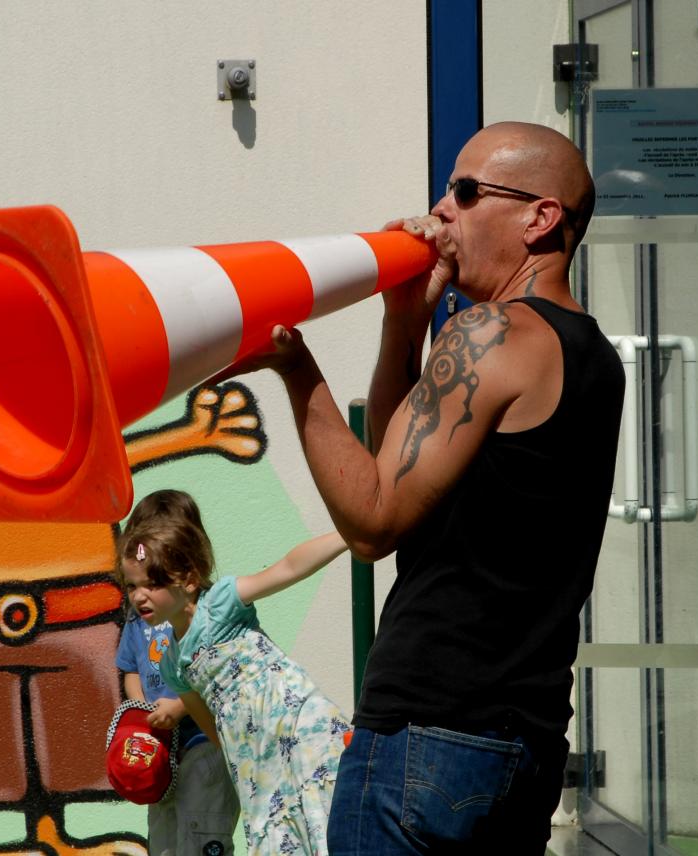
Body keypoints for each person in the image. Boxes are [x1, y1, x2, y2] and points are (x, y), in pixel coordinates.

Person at [226, 122, 625, 853]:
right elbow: (395, 475)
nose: (441, 208)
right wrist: (404, 323)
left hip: (426, 733)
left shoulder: (489, 332)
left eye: (467, 191)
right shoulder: (591, 354)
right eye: (446, 188)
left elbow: (372, 522)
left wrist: (294, 366)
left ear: (540, 218)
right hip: (521, 742)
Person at [117, 489, 352, 856]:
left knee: (324, 821)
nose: (139, 596)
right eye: (132, 585)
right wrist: (243, 768)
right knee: (280, 839)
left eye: (153, 583)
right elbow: (214, 730)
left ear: (188, 579)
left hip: (293, 723)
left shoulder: (221, 604)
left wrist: (348, 536)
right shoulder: (173, 663)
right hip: (256, 757)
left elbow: (287, 568)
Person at [114, 489, 241, 856]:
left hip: (203, 741)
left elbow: (218, 673)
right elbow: (130, 668)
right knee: (164, 836)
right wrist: (142, 709)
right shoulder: (139, 617)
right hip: (160, 748)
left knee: (201, 832)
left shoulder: (207, 609)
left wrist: (179, 707)